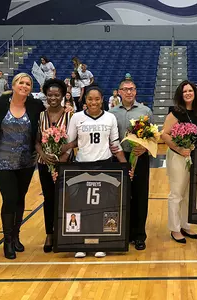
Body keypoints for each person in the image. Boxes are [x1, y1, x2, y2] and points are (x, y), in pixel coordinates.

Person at [0, 73, 46, 259]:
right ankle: (7, 240)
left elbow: (48, 119)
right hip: (2, 160)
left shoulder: (36, 105)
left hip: (26, 161)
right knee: (10, 198)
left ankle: (16, 235)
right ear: (13, 85)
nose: (25, 86)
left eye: (28, 84)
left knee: (20, 198)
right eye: (21, 82)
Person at [65, 86, 129, 258]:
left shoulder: (110, 118)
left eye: (97, 99)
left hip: (105, 165)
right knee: (82, 206)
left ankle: (101, 241)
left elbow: (115, 144)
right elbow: (69, 144)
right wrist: (58, 164)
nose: (93, 102)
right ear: (85, 100)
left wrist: (125, 166)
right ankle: (80, 243)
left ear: (102, 99)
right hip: (82, 166)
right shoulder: (77, 117)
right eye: (90, 99)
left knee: (103, 206)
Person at [161, 80, 197, 244]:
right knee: (176, 193)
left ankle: (185, 225)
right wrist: (179, 148)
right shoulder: (175, 112)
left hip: (193, 155)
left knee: (189, 194)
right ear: (180, 95)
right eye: (184, 91)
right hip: (177, 156)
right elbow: (164, 134)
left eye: (190, 91)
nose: (188, 93)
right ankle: (174, 229)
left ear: (195, 93)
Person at [110, 78, 153, 251]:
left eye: (132, 89)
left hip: (139, 156)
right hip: (119, 158)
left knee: (140, 196)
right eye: (125, 89)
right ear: (119, 92)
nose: (129, 92)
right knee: (121, 197)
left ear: (136, 91)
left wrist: (145, 149)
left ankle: (139, 235)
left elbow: (152, 136)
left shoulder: (146, 110)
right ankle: (124, 233)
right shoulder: (111, 113)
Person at [35, 79, 74, 253]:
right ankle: (49, 233)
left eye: (56, 94)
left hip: (66, 164)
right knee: (49, 199)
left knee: (66, 199)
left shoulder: (71, 115)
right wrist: (43, 154)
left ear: (63, 95)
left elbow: (75, 140)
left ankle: (65, 232)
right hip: (45, 164)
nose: (53, 98)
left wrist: (64, 155)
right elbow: (36, 140)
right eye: (50, 94)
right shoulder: (40, 115)